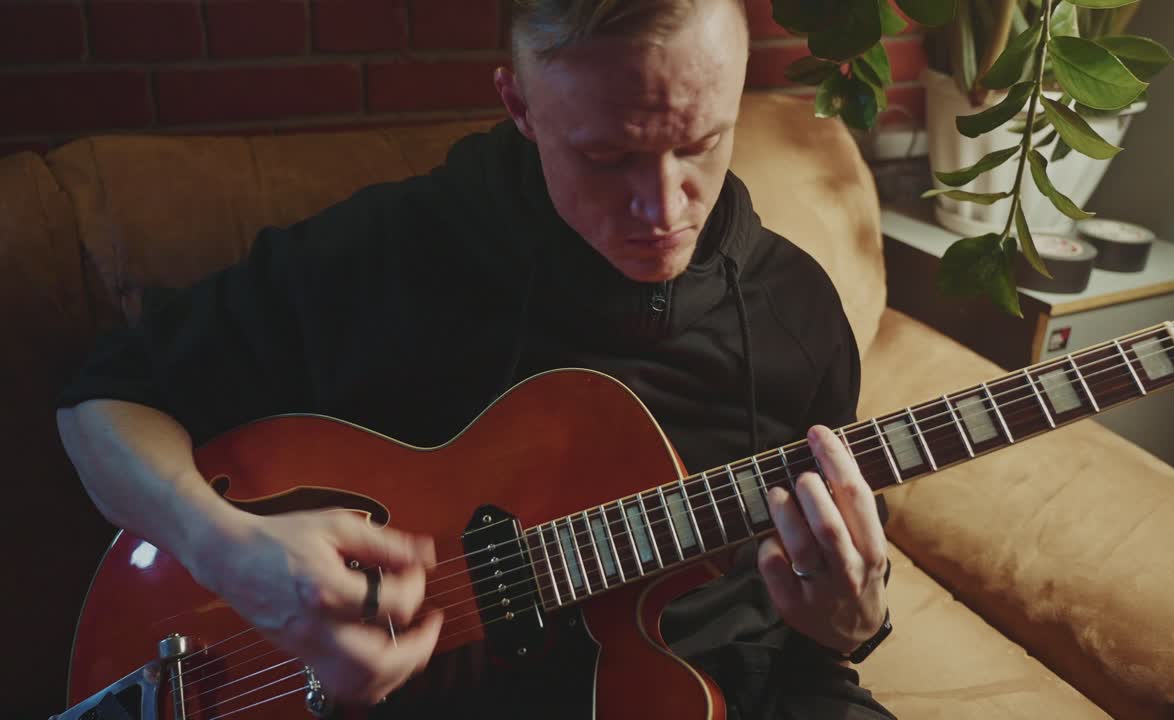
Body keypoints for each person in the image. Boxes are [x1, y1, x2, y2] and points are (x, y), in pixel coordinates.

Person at [55, 0, 895, 717]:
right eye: (608, 158)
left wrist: (849, 623)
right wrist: (227, 551)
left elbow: (819, 631)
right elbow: (102, 402)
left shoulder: (798, 314)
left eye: (704, 143)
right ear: (519, 107)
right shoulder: (393, 252)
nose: (664, 206)